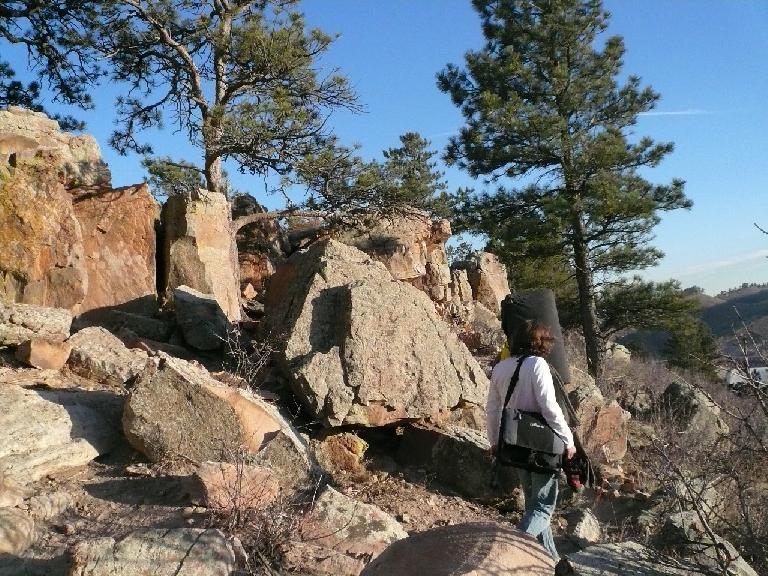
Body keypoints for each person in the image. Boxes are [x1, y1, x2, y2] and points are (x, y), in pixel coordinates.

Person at [486, 321, 576, 562]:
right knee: (543, 508)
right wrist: (568, 439)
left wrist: (494, 440)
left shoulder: (501, 367)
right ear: (541, 343)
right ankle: (505, 552)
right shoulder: (537, 365)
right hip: (542, 446)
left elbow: (493, 409)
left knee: (532, 507)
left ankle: (553, 563)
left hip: (514, 443)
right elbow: (549, 408)